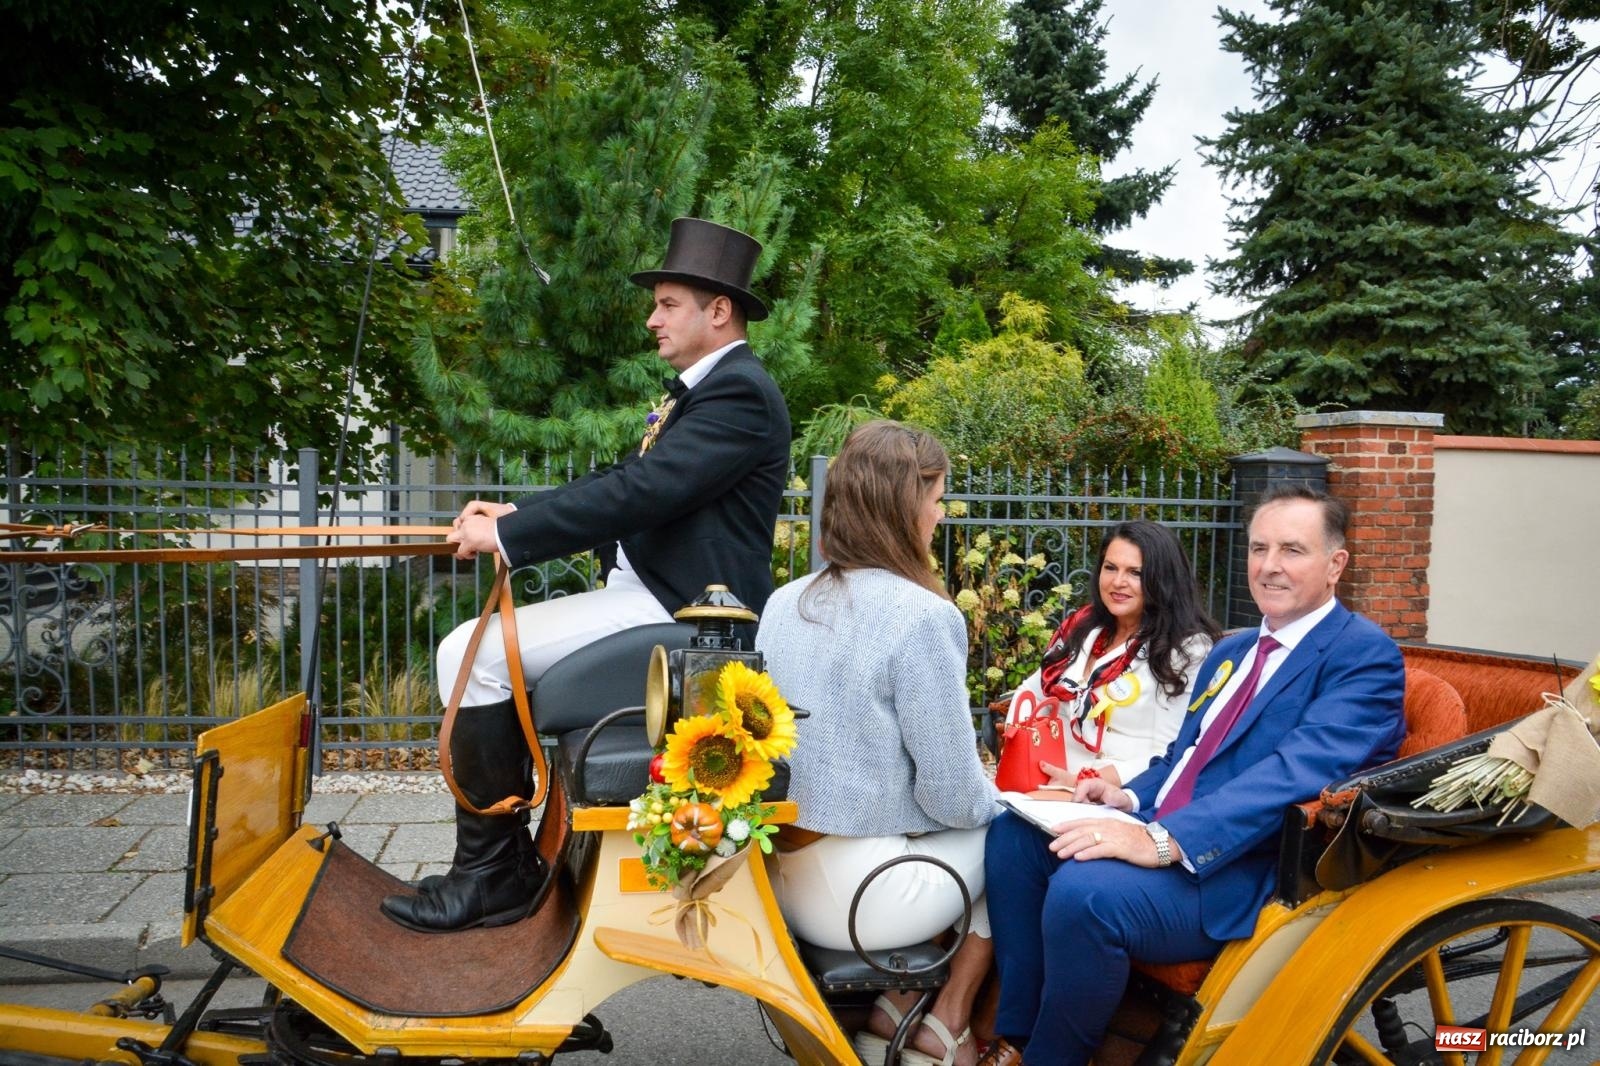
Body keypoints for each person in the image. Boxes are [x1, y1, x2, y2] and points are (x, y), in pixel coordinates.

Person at [382, 217, 791, 934]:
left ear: (717, 311)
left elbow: (642, 494)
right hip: (647, 599)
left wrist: (507, 536)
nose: (651, 318)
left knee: (465, 654)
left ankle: (492, 877)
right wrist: (518, 512)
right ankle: (501, 866)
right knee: (473, 654)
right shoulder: (698, 393)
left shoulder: (740, 394)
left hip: (687, 617)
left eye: (667, 304)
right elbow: (628, 480)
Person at [979, 484, 1407, 1066]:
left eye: (1292, 550)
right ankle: (1017, 1033)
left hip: (1239, 867)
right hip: (1167, 826)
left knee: (1086, 896)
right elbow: (1185, 756)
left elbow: (1293, 775)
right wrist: (1126, 796)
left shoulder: (1363, 657)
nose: (1269, 567)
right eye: (1259, 549)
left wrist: (1159, 840)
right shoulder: (1235, 650)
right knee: (1014, 838)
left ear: (1336, 565)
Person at [756, 421, 997, 1066]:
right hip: (866, 898)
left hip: (779, 880)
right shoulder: (923, 616)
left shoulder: (783, 603)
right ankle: (946, 1025)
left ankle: (900, 1008)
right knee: (1024, 837)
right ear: (902, 506)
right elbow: (952, 796)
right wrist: (1018, 800)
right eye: (936, 498)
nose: (940, 515)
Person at [1003, 520, 1220, 789]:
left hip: (1115, 795)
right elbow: (1031, 693)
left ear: (1162, 579)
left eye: (1136, 573)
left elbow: (1168, 752)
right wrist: (1021, 750)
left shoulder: (1186, 649)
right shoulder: (1084, 627)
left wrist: (1083, 782)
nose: (1118, 582)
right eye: (1110, 568)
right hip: (1043, 780)